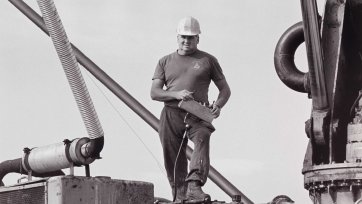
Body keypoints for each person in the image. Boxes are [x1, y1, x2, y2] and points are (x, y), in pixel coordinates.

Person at [150, 16, 231, 201]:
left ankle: (194, 185)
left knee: (203, 137)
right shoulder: (164, 61)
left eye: (191, 37)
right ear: (177, 37)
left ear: (198, 39)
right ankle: (180, 197)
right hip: (171, 113)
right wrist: (176, 94)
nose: (186, 41)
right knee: (173, 157)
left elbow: (225, 90)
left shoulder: (208, 60)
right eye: (183, 37)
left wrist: (218, 105)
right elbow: (154, 93)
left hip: (198, 113)